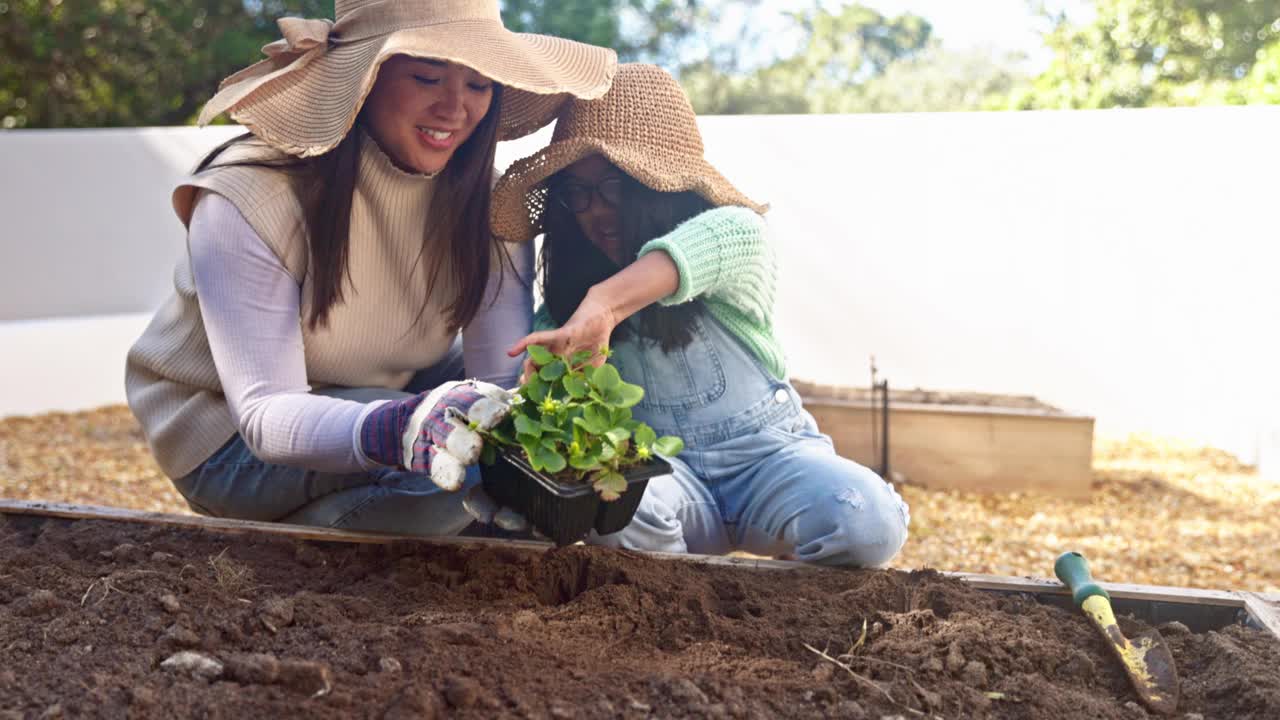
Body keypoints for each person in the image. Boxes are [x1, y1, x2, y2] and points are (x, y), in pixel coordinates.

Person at [125, 0, 617, 535]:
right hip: (227, 435)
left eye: (479, 84)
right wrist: (401, 428)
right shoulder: (250, 194)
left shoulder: (490, 199)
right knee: (452, 493)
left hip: (387, 391)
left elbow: (496, 380)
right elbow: (267, 416)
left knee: (525, 479)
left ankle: (344, 524)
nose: (456, 108)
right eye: (428, 77)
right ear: (365, 79)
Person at [491, 64, 909, 566]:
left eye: (615, 186)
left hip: (772, 462)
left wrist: (604, 304)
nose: (596, 211)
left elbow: (710, 242)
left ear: (663, 187)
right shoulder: (563, 318)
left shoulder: (735, 237)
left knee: (865, 520)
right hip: (668, 482)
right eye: (576, 194)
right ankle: (684, 609)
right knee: (616, 508)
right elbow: (552, 418)